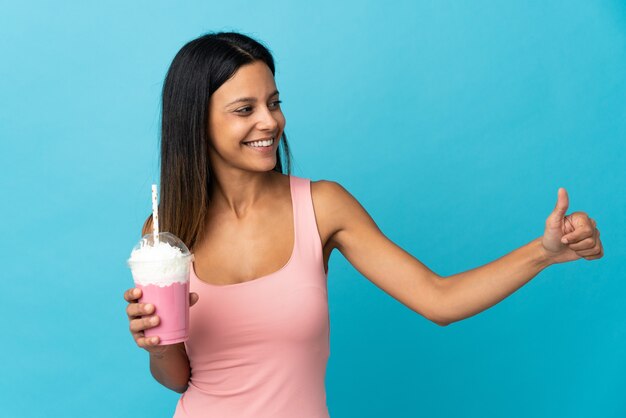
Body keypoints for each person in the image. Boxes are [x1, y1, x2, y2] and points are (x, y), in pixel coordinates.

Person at [123, 31, 604, 418]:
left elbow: (439, 300)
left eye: (274, 102)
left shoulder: (322, 206)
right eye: (244, 110)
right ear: (196, 121)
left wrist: (543, 253)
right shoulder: (166, 231)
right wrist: (154, 344)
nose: (270, 122)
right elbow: (179, 378)